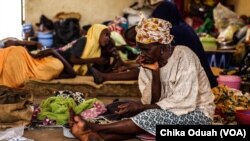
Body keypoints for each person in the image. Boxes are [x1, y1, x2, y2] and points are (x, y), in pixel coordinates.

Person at [69, 17, 215, 141]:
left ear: (162, 45)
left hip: (197, 114)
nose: (142, 54)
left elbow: (182, 101)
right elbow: (154, 102)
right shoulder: (149, 60)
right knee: (132, 111)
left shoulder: (184, 56)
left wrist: (140, 107)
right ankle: (96, 137)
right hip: (169, 111)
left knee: (149, 115)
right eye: (140, 49)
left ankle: (94, 127)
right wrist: (155, 72)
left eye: (146, 49)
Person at [150, 0, 218, 88]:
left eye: (158, 20)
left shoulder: (174, 32)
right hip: (204, 79)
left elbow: (163, 60)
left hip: (199, 84)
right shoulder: (183, 27)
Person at [57, 24, 139, 83]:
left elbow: (100, 71)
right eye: (106, 35)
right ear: (97, 33)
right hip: (62, 61)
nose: (107, 38)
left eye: (109, 36)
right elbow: (72, 59)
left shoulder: (97, 50)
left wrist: (115, 61)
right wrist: (96, 60)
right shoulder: (84, 40)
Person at [0, 42, 76, 88]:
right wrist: (31, 53)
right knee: (16, 49)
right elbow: (36, 51)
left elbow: (72, 73)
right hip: (26, 59)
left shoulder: (59, 65)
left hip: (24, 67)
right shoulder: (49, 57)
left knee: (17, 50)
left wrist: (53, 52)